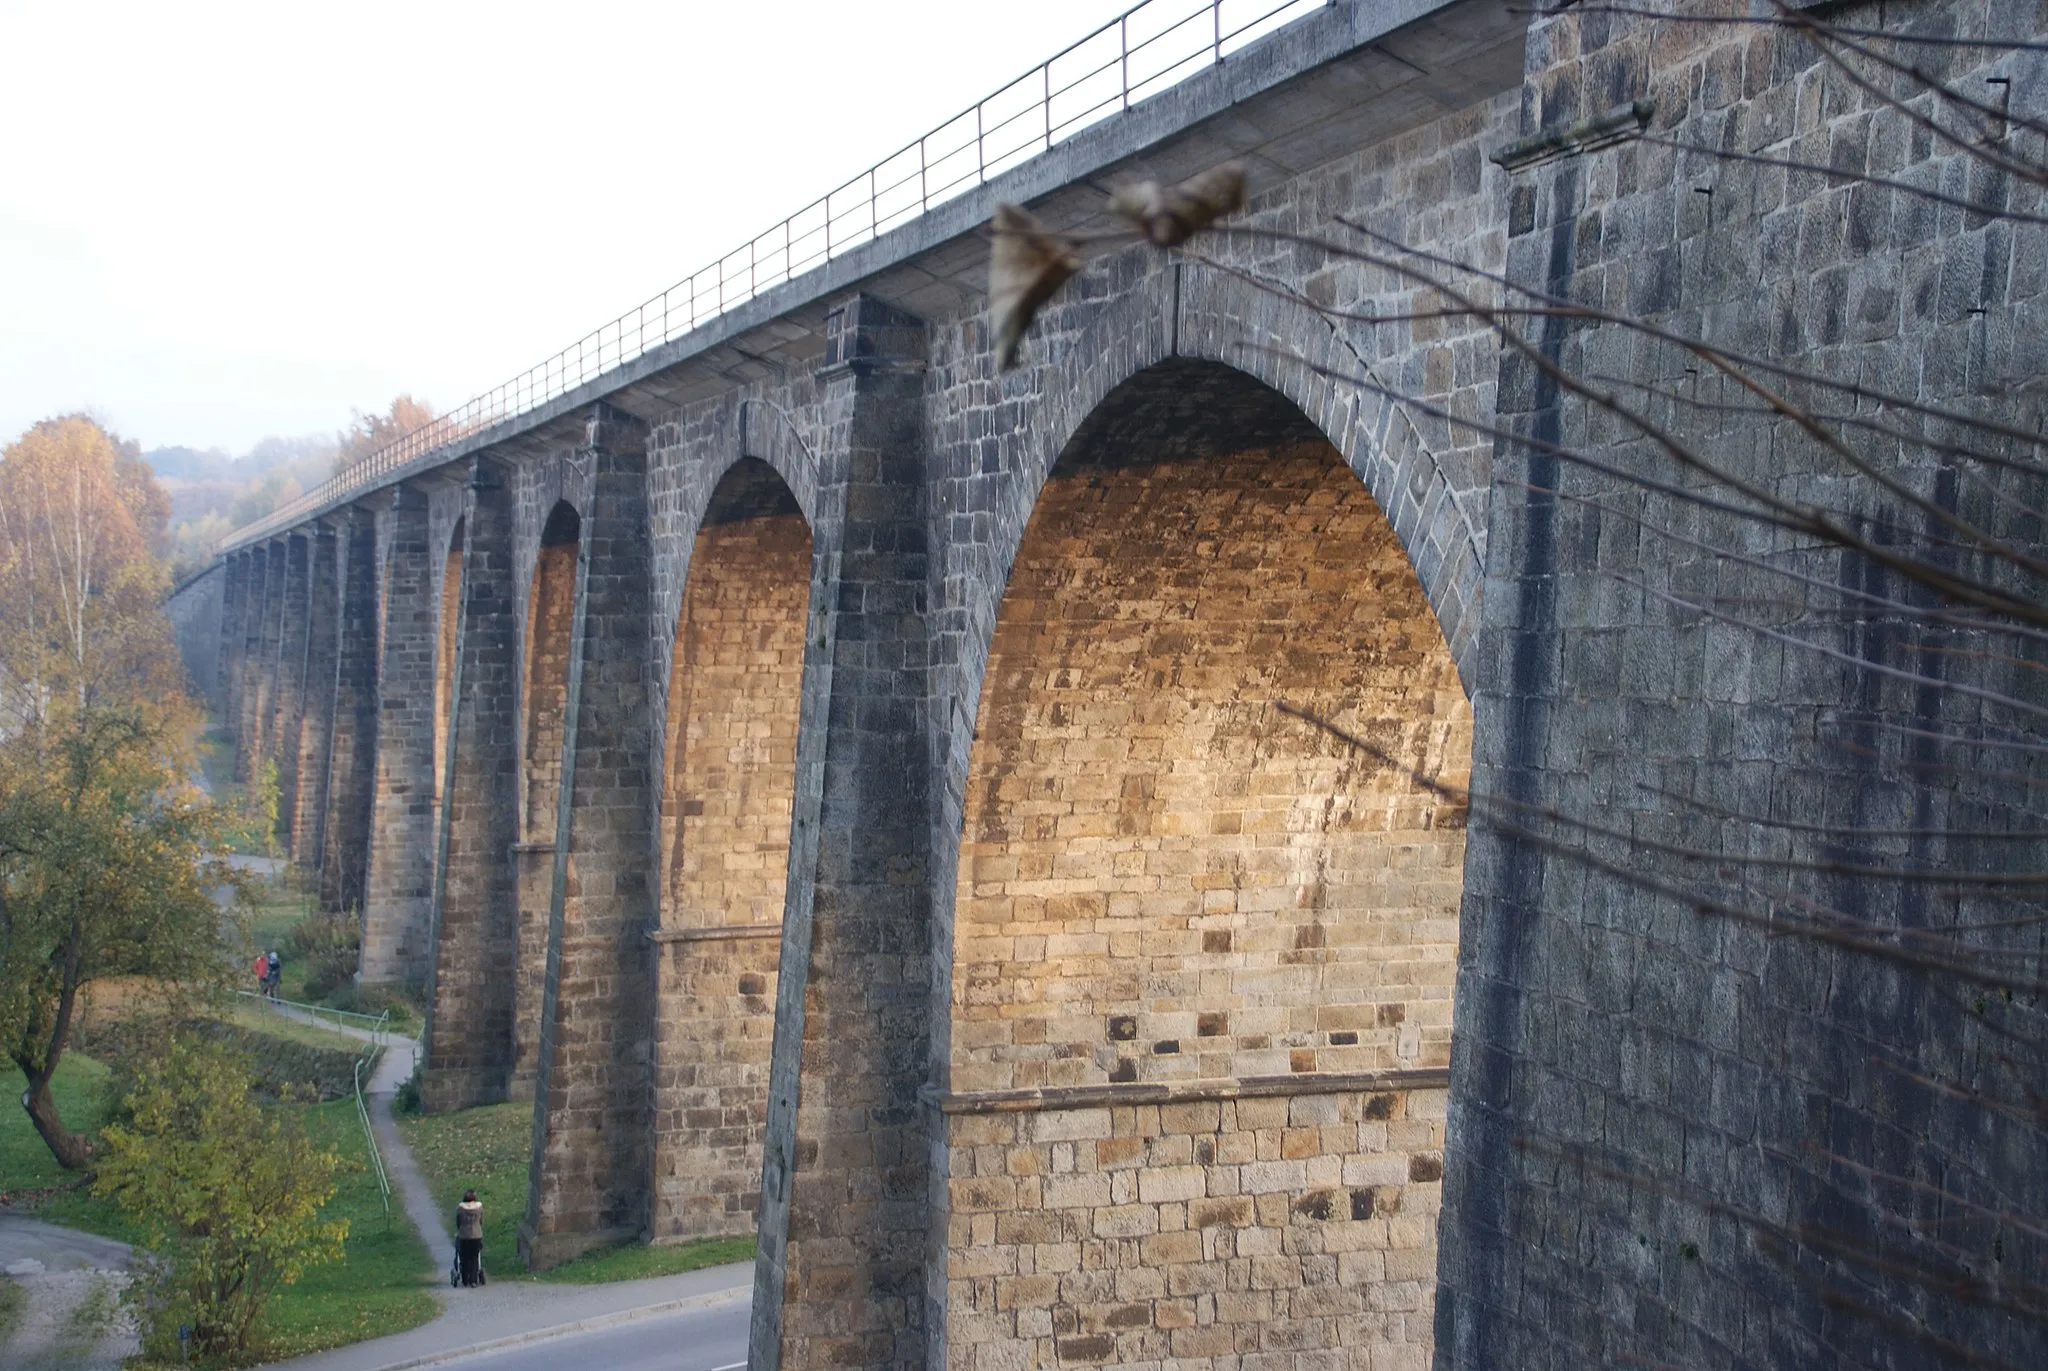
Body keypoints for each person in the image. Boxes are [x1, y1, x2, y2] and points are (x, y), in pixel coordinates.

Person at [455, 1190, 485, 1287]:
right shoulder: (479, 1208)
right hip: (477, 1235)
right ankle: (473, 1280)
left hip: (464, 1236)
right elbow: (481, 1221)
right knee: (474, 1257)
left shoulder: (460, 1209)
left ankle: (464, 1279)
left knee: (464, 1257)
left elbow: (458, 1222)